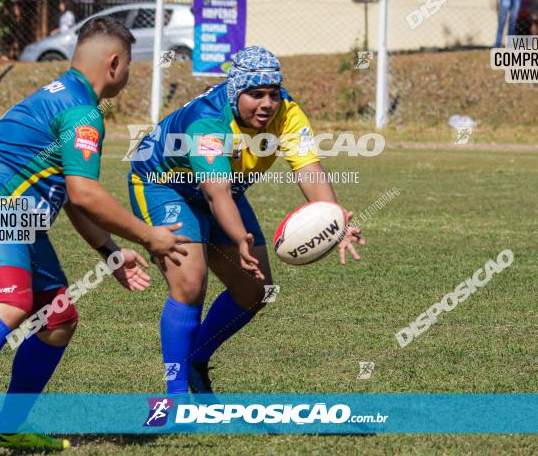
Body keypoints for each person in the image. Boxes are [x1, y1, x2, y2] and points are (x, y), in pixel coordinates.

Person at [0, 18, 188, 454]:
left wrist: (112, 254)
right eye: (130, 63)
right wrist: (149, 236)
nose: (130, 73)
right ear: (114, 63)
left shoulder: (64, 97)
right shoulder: (83, 112)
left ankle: (9, 427)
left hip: (12, 217)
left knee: (57, 319)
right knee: (12, 302)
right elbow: (87, 193)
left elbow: (75, 200)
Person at [127, 46, 365, 395]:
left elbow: (307, 168)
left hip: (225, 188)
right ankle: (176, 396)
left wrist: (335, 218)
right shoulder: (208, 122)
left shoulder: (287, 112)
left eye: (273, 93)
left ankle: (196, 359)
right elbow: (215, 194)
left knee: (255, 290)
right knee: (191, 283)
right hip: (166, 186)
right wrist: (239, 237)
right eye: (255, 94)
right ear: (236, 91)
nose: (267, 103)